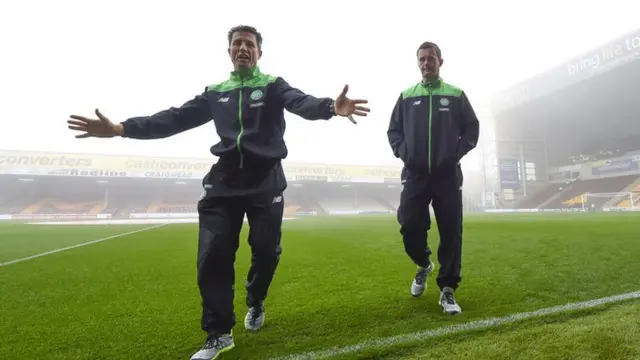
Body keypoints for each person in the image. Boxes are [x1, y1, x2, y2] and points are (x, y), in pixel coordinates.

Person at [67, 25, 370, 360]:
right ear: (229, 51)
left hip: (265, 181)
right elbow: (174, 119)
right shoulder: (215, 92)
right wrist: (123, 129)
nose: (243, 48)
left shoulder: (272, 86)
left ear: (259, 53)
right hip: (223, 183)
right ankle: (219, 333)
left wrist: (331, 107)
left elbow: (301, 102)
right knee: (212, 255)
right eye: (237, 43)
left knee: (266, 252)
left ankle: (255, 299)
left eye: (249, 44)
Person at [386, 41, 479, 315]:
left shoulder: (455, 94)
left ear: (440, 61)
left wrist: (453, 154)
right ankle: (424, 264)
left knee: (451, 231)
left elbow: (472, 129)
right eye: (421, 60)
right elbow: (393, 131)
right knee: (409, 225)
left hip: (447, 175)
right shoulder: (406, 96)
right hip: (415, 174)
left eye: (430, 59)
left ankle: (447, 290)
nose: (426, 64)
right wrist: (405, 154)